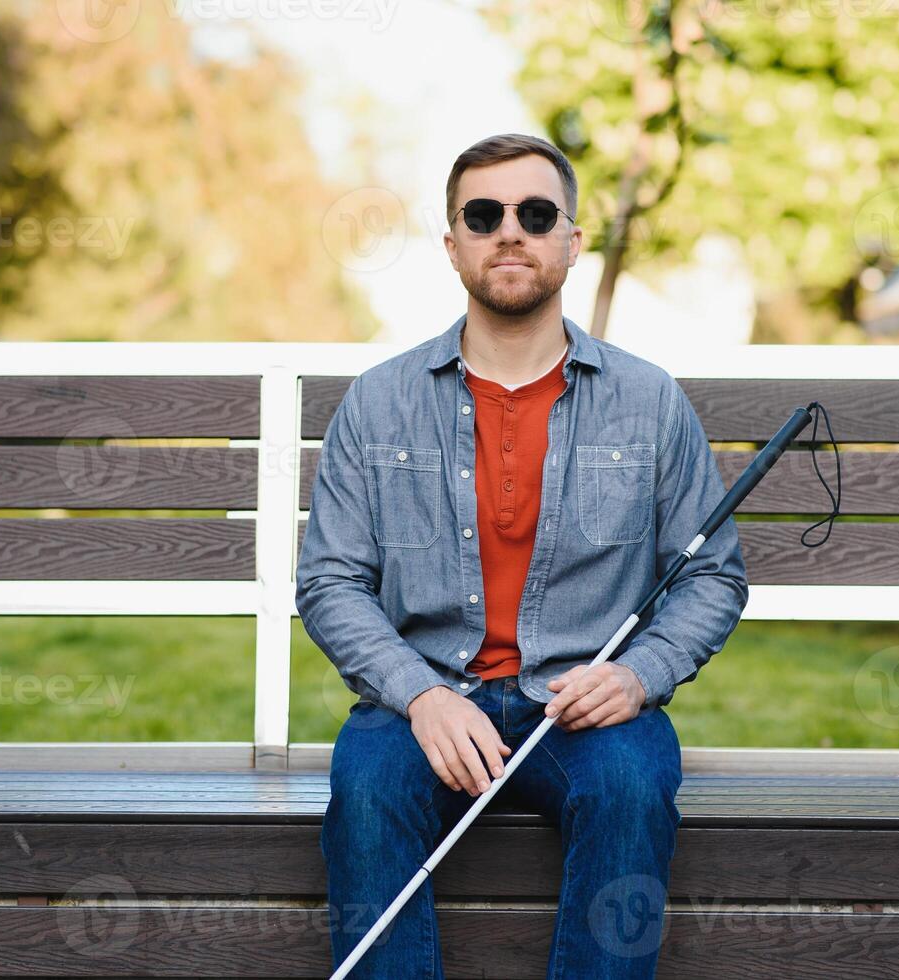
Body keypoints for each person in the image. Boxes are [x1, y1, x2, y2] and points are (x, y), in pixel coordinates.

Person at [295, 132, 749, 979]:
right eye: (484, 214)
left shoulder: (649, 402)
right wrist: (420, 696)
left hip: (583, 706)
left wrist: (637, 676)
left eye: (535, 214)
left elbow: (712, 577)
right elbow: (328, 580)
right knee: (366, 794)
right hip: (424, 698)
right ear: (453, 244)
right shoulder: (379, 402)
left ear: (571, 242)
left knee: (627, 789)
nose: (510, 231)